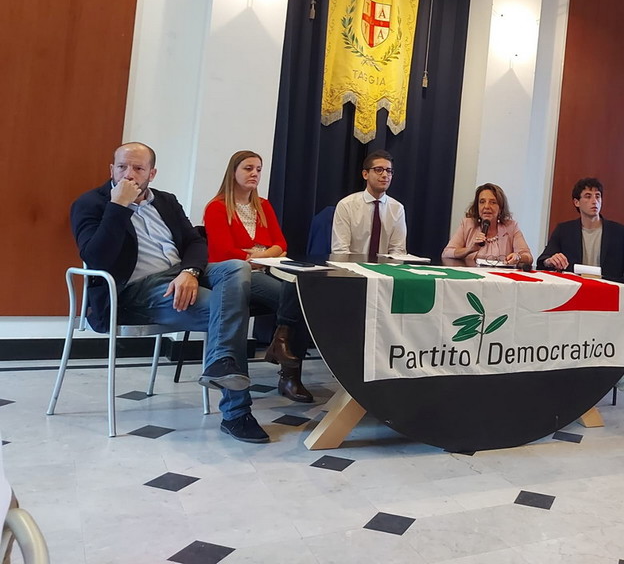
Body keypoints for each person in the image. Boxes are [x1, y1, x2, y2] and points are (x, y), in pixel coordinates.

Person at [70, 142, 269, 443]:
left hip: (182, 276)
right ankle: (236, 414)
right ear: (111, 169)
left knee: (236, 268)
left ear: (152, 173)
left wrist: (190, 272)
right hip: (135, 290)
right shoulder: (90, 204)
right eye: (122, 167)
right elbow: (97, 258)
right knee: (227, 307)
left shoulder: (166, 201)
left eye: (138, 168)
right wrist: (118, 207)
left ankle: (223, 363)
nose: (129, 174)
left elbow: (195, 242)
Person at [203, 150, 314, 404]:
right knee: (294, 298)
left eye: (258, 169)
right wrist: (266, 254)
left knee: (303, 292)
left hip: (267, 271)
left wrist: (258, 255)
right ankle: (289, 373)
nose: (254, 173)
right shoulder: (217, 207)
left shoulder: (263, 206)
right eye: (248, 168)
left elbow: (282, 244)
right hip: (235, 277)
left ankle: (283, 349)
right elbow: (223, 253)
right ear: (233, 172)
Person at [538, 177, 624, 389]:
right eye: (587, 196)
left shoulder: (619, 232)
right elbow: (543, 261)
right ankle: (607, 370)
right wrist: (551, 260)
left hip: (605, 299)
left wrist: (614, 287)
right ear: (576, 202)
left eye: (598, 196)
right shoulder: (564, 230)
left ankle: (610, 370)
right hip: (573, 297)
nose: (594, 201)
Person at [331, 150, 407, 257]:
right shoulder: (346, 205)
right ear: (365, 174)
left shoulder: (397, 209)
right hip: (351, 265)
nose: (385, 175)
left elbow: (398, 251)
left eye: (389, 171)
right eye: (379, 170)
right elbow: (340, 251)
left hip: (384, 266)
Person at [443, 183, 533, 266]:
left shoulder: (511, 227)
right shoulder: (467, 224)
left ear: (500, 208)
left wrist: (518, 257)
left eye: (493, 202)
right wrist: (469, 249)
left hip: (499, 276)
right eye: (482, 202)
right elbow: (447, 253)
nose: (486, 206)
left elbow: (528, 257)